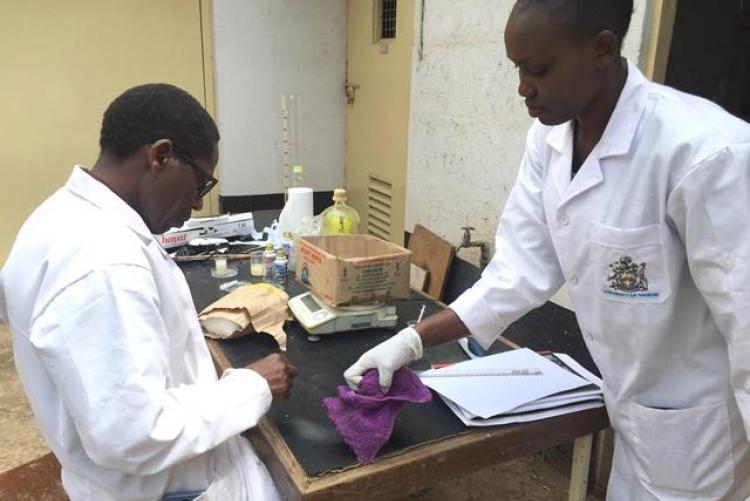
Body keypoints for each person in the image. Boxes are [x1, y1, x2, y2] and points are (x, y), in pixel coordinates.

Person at [345, 0, 750, 499]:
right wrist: (411, 341)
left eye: (538, 69)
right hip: (636, 421)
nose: (522, 88)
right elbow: (518, 269)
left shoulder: (707, 154)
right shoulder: (550, 139)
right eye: (517, 68)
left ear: (601, 49)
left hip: (701, 433)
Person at [0, 83, 297, 500]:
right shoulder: (104, 264)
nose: (196, 205)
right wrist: (251, 386)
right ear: (160, 156)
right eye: (201, 184)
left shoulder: (57, 218)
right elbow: (135, 434)